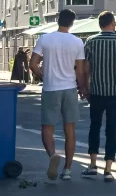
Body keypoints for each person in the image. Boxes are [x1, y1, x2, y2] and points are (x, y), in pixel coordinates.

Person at [30, 9, 85, 181]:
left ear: (57, 20)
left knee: (47, 127)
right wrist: (82, 88)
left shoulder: (45, 39)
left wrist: (43, 76)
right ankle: (67, 169)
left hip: (50, 88)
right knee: (70, 130)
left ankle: (53, 155)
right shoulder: (77, 42)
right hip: (69, 88)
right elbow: (80, 71)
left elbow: (32, 64)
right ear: (72, 23)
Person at [82, 11, 116, 182]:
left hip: (97, 91)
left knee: (94, 126)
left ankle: (92, 165)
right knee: (111, 129)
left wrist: (86, 88)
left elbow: (85, 68)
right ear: (112, 23)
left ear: (100, 24)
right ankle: (108, 169)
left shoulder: (91, 41)